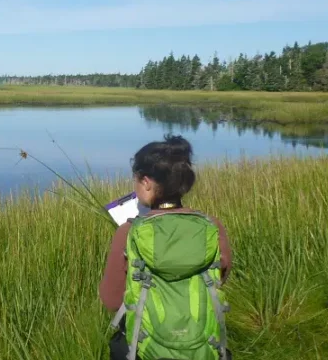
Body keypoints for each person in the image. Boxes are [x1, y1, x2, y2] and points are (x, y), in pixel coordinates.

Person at [99, 134, 233, 360]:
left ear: (146, 182)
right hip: (203, 347)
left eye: (135, 179)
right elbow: (220, 276)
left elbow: (111, 301)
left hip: (145, 350)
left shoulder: (128, 232)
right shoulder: (211, 227)